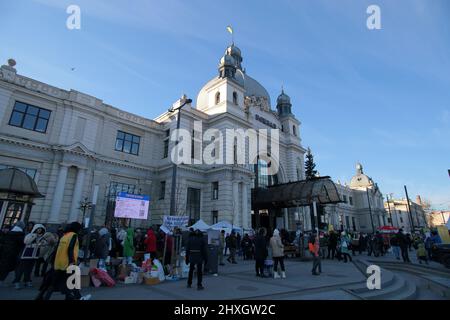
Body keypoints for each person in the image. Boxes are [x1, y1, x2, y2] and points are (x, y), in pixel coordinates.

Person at [41, 222, 90, 300]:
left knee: (55, 282)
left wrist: (54, 261)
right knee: (72, 280)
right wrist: (72, 261)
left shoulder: (64, 236)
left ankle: (45, 297)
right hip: (68, 262)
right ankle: (78, 297)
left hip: (59, 262)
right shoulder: (74, 236)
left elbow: (58, 249)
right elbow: (70, 249)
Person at [13, 223, 46, 289]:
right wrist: (34, 236)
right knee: (21, 269)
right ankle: (17, 281)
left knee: (29, 270)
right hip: (26, 255)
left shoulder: (41, 237)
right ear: (35, 229)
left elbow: (43, 244)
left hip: (34, 256)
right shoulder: (30, 235)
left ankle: (27, 280)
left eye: (40, 230)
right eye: (38, 229)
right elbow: (26, 242)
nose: (39, 231)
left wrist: (41, 242)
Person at [0, 221, 25, 285]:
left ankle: (2, 279)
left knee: (4, 266)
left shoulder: (9, 233)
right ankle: (15, 281)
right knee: (13, 267)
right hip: (15, 253)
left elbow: (3, 241)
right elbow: (22, 244)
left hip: (5, 252)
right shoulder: (20, 235)